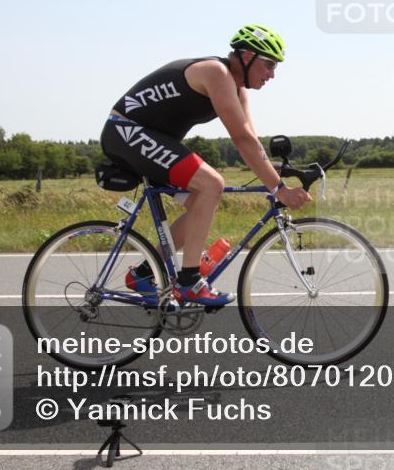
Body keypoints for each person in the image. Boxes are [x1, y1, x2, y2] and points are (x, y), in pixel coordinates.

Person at [100, 24, 311, 307]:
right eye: (269, 64)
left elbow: (250, 140)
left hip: (149, 137)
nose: (272, 74)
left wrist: (275, 174)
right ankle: (189, 281)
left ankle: (143, 274)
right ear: (247, 56)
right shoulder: (216, 73)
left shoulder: (238, 89)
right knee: (212, 184)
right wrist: (279, 190)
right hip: (126, 131)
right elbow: (241, 139)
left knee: (204, 196)